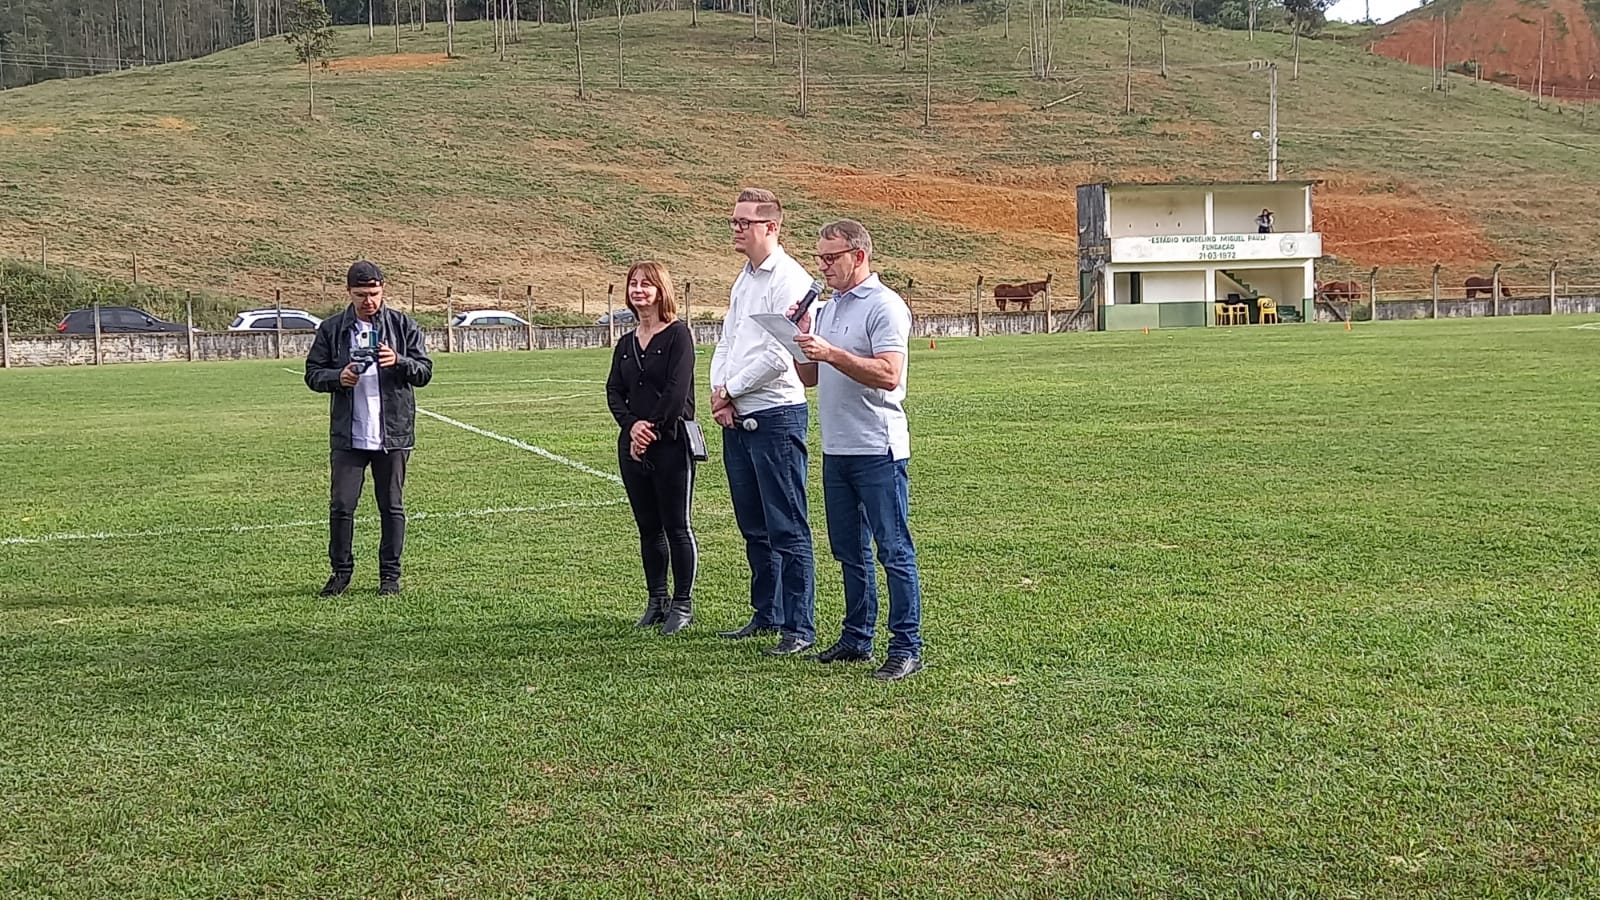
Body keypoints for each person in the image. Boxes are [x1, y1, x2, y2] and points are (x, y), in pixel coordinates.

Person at [792, 219, 924, 681]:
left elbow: (888, 374)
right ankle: (856, 637)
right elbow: (810, 378)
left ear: (859, 255)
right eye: (819, 258)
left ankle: (906, 646)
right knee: (848, 550)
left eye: (831, 257)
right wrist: (798, 339)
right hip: (837, 448)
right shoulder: (828, 309)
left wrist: (831, 353)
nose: (823, 266)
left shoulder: (885, 306)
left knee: (894, 550)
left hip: (877, 447)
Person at [709, 187, 819, 656]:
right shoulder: (744, 279)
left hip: (775, 414)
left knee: (787, 525)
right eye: (734, 221)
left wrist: (730, 391)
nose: (736, 229)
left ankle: (799, 626)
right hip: (739, 412)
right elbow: (728, 339)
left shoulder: (789, 279)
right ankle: (767, 612)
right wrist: (719, 391)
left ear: (771, 227)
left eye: (744, 223)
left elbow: (779, 355)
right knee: (753, 524)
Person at [304, 260, 433, 597]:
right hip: (349, 436)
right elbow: (313, 374)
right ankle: (341, 573)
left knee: (391, 506)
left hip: (393, 434)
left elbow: (424, 372)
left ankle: (390, 577)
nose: (368, 301)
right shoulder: (332, 329)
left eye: (373, 294)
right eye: (361, 294)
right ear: (349, 292)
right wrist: (338, 377)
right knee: (342, 505)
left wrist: (399, 361)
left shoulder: (403, 325)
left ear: (383, 290)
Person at [605, 261, 699, 635]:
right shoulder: (625, 343)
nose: (639, 290)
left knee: (677, 526)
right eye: (633, 284)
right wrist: (632, 426)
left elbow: (677, 391)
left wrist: (651, 430)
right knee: (648, 527)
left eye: (646, 284)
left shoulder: (679, 335)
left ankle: (682, 604)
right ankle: (656, 600)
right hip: (632, 446)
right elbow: (614, 390)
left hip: (671, 444)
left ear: (661, 291)